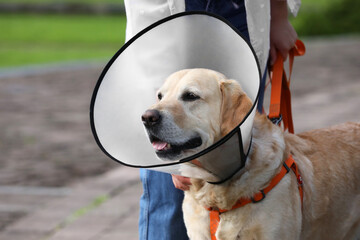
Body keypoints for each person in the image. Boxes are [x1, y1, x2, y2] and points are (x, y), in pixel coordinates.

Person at [123, 0, 300, 239]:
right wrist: (173, 155)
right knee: (169, 204)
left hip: (239, 10)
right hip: (163, 13)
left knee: (248, 197)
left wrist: (277, 14)